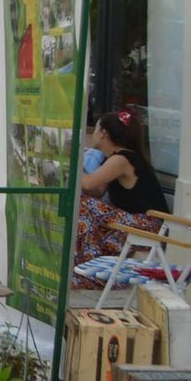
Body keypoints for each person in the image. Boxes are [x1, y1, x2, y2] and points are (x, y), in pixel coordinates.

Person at [73, 110, 167, 273]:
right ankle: (88, 264)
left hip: (147, 224)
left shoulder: (122, 159)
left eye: (95, 129)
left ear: (103, 133)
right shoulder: (114, 158)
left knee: (82, 204)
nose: (93, 133)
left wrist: (70, 161)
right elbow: (96, 192)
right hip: (132, 222)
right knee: (84, 205)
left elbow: (87, 184)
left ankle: (88, 266)